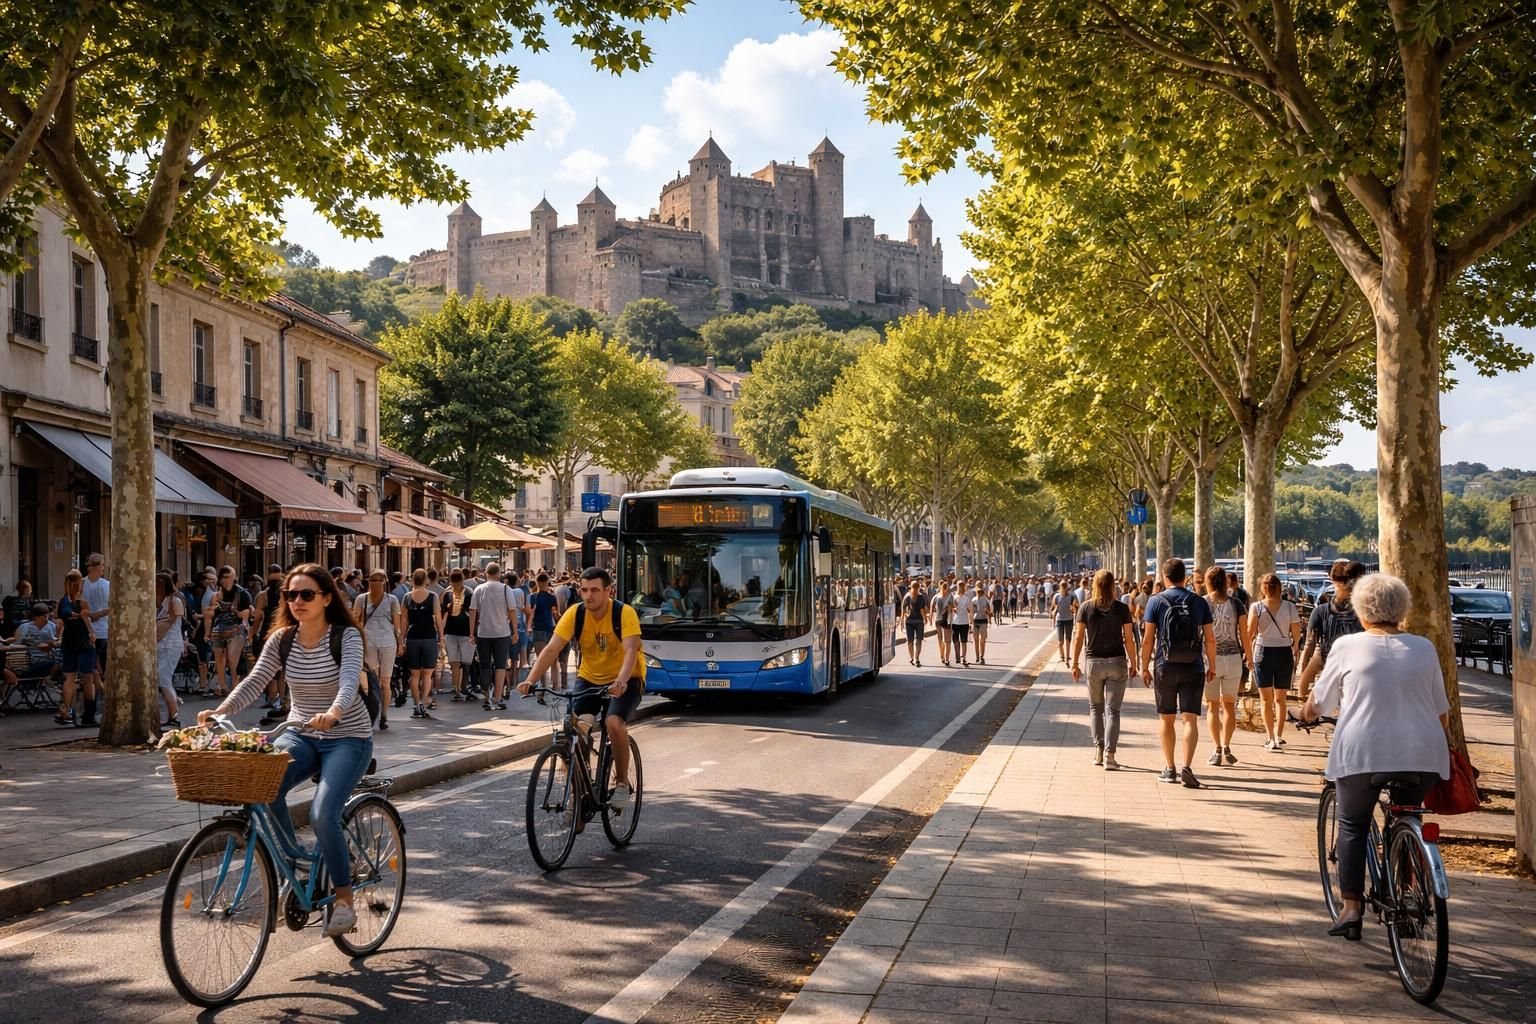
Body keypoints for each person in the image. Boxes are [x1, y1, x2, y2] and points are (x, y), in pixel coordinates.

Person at [202, 563, 372, 939]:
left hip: (347, 736)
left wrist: (334, 712)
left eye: (306, 594)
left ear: (327, 598)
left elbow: (348, 682)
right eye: (290, 595)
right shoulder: (282, 639)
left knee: (323, 813)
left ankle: (343, 899)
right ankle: (292, 866)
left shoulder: (345, 637)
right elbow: (255, 680)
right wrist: (221, 711)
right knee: (264, 785)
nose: (297, 601)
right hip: (300, 733)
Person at [1299, 573, 1450, 941]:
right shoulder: (1424, 647)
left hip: (1363, 752)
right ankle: (1408, 891)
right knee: (1408, 812)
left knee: (1352, 824)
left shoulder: (1349, 646)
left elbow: (1319, 702)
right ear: (1402, 611)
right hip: (1423, 752)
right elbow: (1441, 712)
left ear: (1361, 610)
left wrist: (1304, 713)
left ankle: (1351, 908)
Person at [519, 566, 644, 815]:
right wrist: (530, 680)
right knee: (574, 730)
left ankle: (621, 783)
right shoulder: (575, 613)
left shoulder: (624, 613)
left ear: (609, 590)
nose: (589, 596)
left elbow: (631, 651)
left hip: (626, 678)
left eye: (595, 590)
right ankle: (579, 792)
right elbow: (552, 648)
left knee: (613, 723)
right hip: (589, 678)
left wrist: (620, 681)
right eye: (584, 590)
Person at [1140, 558, 1216, 788]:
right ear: (1186, 577)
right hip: (1193, 665)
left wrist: (1144, 667)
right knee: (1190, 718)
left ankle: (1170, 767)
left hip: (1165, 665)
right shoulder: (1199, 602)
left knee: (1166, 718)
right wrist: (1211, 665)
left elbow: (1147, 639)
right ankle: (1187, 767)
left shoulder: (1155, 601)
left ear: (1164, 577)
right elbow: (1210, 638)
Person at [1071, 569, 1139, 770]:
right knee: (1113, 711)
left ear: (1095, 585)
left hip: (1093, 662)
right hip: (1117, 661)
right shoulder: (1122, 609)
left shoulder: (1085, 608)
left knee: (1095, 708)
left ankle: (1099, 750)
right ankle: (1110, 755)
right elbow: (1129, 639)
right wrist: (1134, 663)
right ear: (1112, 586)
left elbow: (1078, 637)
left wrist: (1074, 663)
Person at [1297, 560, 1368, 701]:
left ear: (1333, 580)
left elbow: (1309, 646)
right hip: (1358, 661)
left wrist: (1303, 675)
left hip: (1327, 657)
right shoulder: (1365, 611)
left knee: (1303, 688)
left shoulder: (1321, 611)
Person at [1202, 566, 1250, 768]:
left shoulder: (1202, 603)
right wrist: (1249, 656)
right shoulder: (1237, 603)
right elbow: (1244, 634)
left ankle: (1217, 749)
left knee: (1213, 706)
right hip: (1233, 658)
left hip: (1209, 659)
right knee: (1229, 705)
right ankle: (1227, 745)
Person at [1249, 572, 1301, 751]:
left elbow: (1250, 633)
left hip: (1262, 651)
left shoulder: (1256, 607)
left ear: (1263, 589)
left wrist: (1247, 654)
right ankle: (1278, 735)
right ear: (1279, 588)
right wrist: (1296, 649)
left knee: (1266, 699)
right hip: (1284, 651)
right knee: (1280, 698)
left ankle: (1270, 737)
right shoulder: (1290, 607)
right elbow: (1296, 632)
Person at [352, 571, 403, 731]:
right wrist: (400, 643)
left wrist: (400, 643)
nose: (376, 583)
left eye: (376, 581)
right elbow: (397, 627)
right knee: (380, 682)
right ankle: (381, 714)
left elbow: (355, 622)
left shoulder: (369, 599)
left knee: (376, 682)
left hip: (378, 642)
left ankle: (379, 714)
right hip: (378, 642)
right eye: (375, 580)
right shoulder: (370, 599)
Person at [469, 562, 520, 710]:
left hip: (483, 633)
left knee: (484, 665)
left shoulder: (479, 589)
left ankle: (486, 697)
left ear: (486, 573)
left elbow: (473, 611)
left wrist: (471, 632)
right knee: (500, 666)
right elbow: (512, 611)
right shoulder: (506, 589)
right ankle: (498, 697)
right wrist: (515, 631)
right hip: (502, 633)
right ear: (499, 574)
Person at [54, 569, 97, 727]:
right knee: (88, 678)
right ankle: (88, 715)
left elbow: (58, 622)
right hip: (84, 640)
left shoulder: (62, 601)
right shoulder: (82, 600)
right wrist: (92, 633)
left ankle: (66, 710)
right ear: (80, 583)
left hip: (68, 641)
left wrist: (58, 635)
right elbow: (86, 619)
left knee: (69, 678)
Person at [203, 566, 251, 699]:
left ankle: (235, 684)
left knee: (232, 659)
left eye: (227, 577)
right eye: (222, 577)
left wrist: (236, 612)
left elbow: (246, 614)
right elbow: (209, 614)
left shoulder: (242, 594)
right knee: (219, 658)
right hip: (218, 629)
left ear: (234, 577)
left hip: (236, 630)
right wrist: (207, 632)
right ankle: (223, 686)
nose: (225, 580)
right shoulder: (216, 595)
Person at [402, 568, 442, 719]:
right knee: (427, 674)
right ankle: (423, 703)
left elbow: (404, 621)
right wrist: (441, 637)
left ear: (413, 580)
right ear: (426, 581)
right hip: (429, 636)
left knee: (414, 674)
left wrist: (401, 640)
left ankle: (416, 703)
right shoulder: (433, 596)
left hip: (412, 637)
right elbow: (438, 619)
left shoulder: (407, 597)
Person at [251, 564, 287, 723]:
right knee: (283, 670)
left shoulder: (262, 595)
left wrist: (252, 634)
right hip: (284, 633)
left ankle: (273, 699)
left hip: (269, 633)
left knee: (270, 668)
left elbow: (258, 618)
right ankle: (282, 701)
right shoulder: (287, 595)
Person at [154, 573, 185, 729]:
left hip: (170, 644)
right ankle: (171, 711)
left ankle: (174, 715)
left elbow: (168, 624)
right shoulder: (161, 603)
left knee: (163, 677)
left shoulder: (174, 601)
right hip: (161, 645)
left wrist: (155, 635)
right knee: (162, 678)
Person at [81, 553, 110, 716]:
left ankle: (99, 701)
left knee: (93, 669)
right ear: (97, 566)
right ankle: (104, 699)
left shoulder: (82, 584)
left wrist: (92, 615)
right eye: (103, 565)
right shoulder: (106, 585)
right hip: (100, 632)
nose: (104, 568)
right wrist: (102, 612)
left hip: (91, 631)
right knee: (96, 669)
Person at [441, 570, 475, 700]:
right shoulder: (449, 594)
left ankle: (462, 687)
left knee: (465, 662)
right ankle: (457, 689)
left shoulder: (468, 593)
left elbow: (471, 612)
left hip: (463, 631)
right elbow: (444, 612)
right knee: (455, 662)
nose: (455, 586)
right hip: (454, 631)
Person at [901, 580, 929, 667]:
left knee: (910, 641)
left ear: (911, 586)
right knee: (918, 640)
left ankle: (912, 658)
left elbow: (903, 609)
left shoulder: (907, 596)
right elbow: (922, 610)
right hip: (919, 621)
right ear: (919, 587)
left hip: (909, 621)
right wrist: (925, 618)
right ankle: (917, 658)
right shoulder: (921, 597)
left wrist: (901, 620)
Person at [948, 582, 973, 668]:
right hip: (955, 621)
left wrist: (971, 620)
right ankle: (958, 656)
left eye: (962, 586)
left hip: (964, 621)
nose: (961, 588)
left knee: (963, 641)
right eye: (960, 586)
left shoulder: (966, 598)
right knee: (955, 640)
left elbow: (970, 609)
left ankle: (963, 657)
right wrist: (953, 608)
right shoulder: (954, 596)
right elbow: (950, 607)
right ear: (957, 587)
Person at [931, 581, 955, 667]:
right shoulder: (939, 597)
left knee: (946, 641)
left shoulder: (948, 597)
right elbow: (935, 608)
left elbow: (953, 607)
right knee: (943, 640)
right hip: (942, 620)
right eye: (946, 588)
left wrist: (951, 607)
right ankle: (943, 656)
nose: (947, 590)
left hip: (944, 620)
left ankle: (945, 658)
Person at [1052, 581, 1076, 663]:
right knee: (1060, 641)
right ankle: (1062, 655)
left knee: (1068, 639)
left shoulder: (1071, 596)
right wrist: (1053, 618)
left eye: (1066, 587)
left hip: (1069, 619)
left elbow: (1074, 606)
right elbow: (1054, 607)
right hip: (1060, 620)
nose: (1065, 589)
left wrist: (1073, 609)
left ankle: (1067, 657)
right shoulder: (1056, 596)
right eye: (1063, 587)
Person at [971, 582, 992, 665]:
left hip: (983, 620)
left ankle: (981, 656)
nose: (979, 591)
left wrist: (989, 615)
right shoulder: (973, 600)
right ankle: (977, 656)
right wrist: (970, 621)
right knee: (975, 640)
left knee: (982, 639)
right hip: (975, 621)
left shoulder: (986, 600)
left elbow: (989, 610)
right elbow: (971, 611)